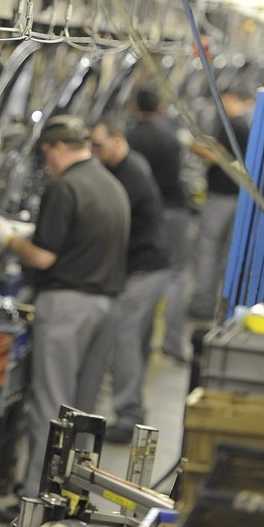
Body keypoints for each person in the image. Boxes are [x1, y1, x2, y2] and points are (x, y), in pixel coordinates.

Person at [0, 115, 129, 497]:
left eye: (47, 153)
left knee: (50, 408)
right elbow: (83, 238)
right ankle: (70, 496)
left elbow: (45, 257)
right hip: (107, 307)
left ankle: (35, 499)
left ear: (59, 148)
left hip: (69, 307)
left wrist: (10, 239)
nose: (46, 162)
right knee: (83, 413)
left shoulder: (64, 187)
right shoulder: (110, 184)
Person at [81, 116, 171, 444]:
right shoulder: (127, 166)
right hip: (147, 267)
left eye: (99, 145)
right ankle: (130, 407)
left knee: (125, 339)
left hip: (144, 270)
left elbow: (110, 222)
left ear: (118, 140)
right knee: (133, 340)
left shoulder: (130, 176)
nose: (94, 151)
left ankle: (128, 414)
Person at [127, 86, 194, 362]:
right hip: (174, 211)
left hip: (145, 216)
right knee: (176, 276)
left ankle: (138, 345)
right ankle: (173, 343)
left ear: (134, 108)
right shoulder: (172, 137)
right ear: (160, 109)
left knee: (143, 277)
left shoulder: (130, 138)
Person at [188, 88, 253, 322]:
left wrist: (190, 143)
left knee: (208, 251)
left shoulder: (233, 126)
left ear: (229, 99)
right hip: (237, 197)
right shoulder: (244, 125)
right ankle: (222, 304)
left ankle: (202, 305)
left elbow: (217, 156)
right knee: (225, 253)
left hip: (221, 198)